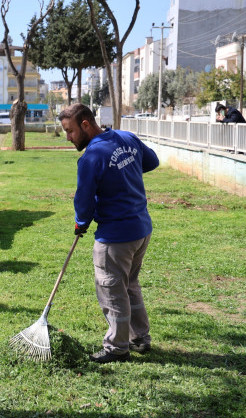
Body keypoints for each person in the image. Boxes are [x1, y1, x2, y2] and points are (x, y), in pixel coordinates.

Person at [58, 104, 160, 364]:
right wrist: (124, 173)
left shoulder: (91, 157)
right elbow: (152, 161)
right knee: (130, 286)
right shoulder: (126, 137)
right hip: (140, 230)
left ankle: (117, 347)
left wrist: (81, 222)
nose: (68, 138)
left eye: (70, 131)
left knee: (112, 289)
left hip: (116, 237)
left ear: (85, 124)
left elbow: (84, 201)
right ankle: (140, 337)